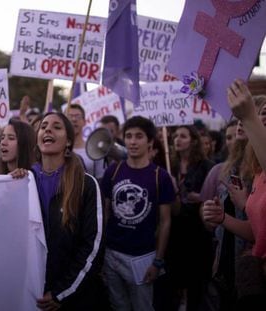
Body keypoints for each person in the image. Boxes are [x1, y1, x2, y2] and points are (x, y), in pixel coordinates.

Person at [13, 112, 106, 310]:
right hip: (32, 293)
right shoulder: (25, 182)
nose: (48, 129)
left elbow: (93, 247)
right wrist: (9, 188)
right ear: (37, 139)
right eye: (44, 126)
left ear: (69, 142)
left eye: (57, 127)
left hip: (73, 298)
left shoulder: (86, 184)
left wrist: (62, 292)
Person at [202, 79, 266, 310]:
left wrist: (249, 115)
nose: (243, 125)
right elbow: (257, 232)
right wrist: (223, 218)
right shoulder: (259, 174)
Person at [101, 116, 175, 311]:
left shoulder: (161, 176)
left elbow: (165, 222)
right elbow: (106, 214)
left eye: (139, 136)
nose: (133, 141)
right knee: (118, 306)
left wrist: (158, 261)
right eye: (129, 136)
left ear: (150, 141)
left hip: (142, 257)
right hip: (112, 255)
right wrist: (102, 255)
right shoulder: (112, 172)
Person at [165, 125, 214, 311]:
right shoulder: (171, 166)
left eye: (183, 136)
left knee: (196, 284)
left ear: (194, 141)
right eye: (175, 136)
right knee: (174, 283)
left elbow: (212, 196)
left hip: (197, 233)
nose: (177, 139)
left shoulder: (206, 166)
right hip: (175, 231)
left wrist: (201, 197)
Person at [66, 103, 105, 179]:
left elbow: (100, 179)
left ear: (84, 121)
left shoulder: (95, 150)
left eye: (77, 116)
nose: (74, 119)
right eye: (70, 117)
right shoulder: (58, 149)